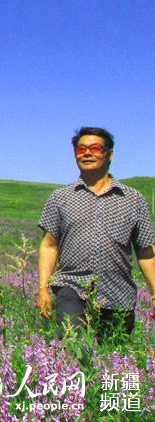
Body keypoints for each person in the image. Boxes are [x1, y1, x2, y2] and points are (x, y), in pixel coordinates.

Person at [36, 127, 155, 339]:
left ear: (110, 154)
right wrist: (43, 288)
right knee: (75, 352)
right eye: (81, 149)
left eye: (95, 148)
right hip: (71, 288)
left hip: (118, 295)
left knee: (111, 362)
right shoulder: (60, 198)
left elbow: (145, 251)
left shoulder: (134, 199)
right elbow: (49, 245)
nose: (87, 153)